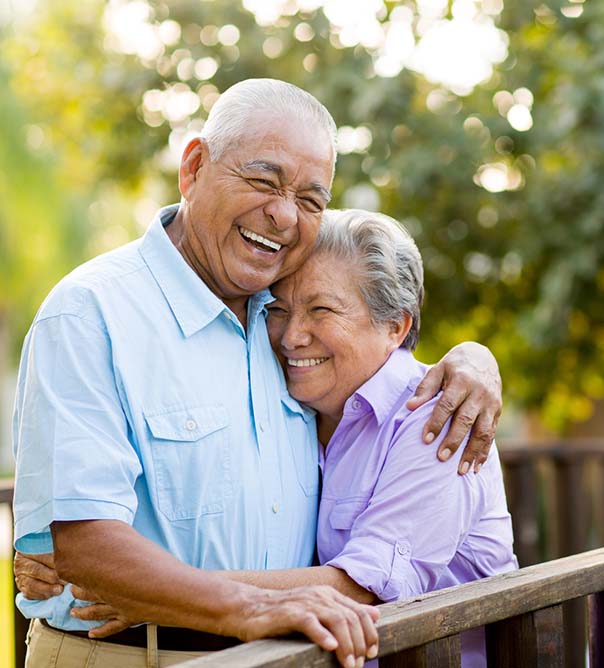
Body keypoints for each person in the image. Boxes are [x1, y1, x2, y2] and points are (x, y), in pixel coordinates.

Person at [12, 79, 503, 668]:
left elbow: (373, 335)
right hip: (132, 655)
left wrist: (476, 358)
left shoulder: (281, 321)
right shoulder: (91, 313)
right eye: (264, 180)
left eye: (311, 200)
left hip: (289, 653)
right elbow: (87, 547)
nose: (283, 214)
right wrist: (235, 606)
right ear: (193, 167)